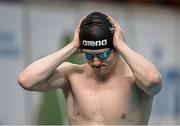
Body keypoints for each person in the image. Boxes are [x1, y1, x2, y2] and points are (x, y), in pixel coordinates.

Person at [17, 12, 162, 125]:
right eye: (89, 55)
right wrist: (72, 46)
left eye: (103, 54)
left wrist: (122, 45)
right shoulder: (72, 76)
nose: (96, 62)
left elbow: (153, 81)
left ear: (116, 48)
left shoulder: (135, 80)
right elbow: (26, 80)